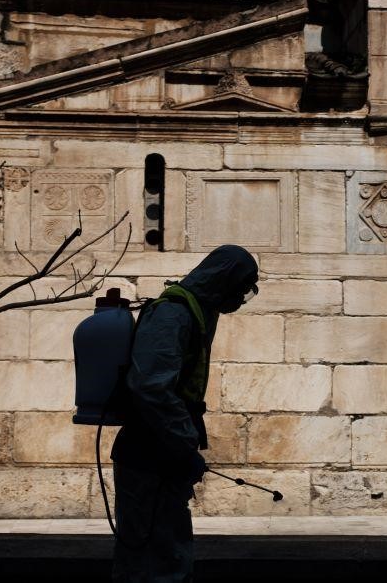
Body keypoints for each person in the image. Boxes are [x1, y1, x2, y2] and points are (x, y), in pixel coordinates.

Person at [110, 244, 259, 582]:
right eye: (240, 289)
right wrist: (183, 442)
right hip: (148, 454)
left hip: (161, 455)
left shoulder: (193, 313)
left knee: (162, 552)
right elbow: (151, 387)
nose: (239, 300)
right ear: (224, 281)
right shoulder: (173, 314)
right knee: (154, 560)